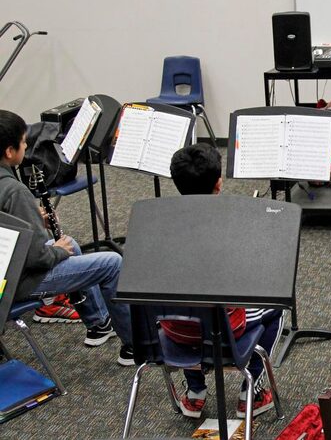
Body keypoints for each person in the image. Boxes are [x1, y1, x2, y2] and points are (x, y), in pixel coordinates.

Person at [0, 110, 133, 365]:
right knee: (111, 263)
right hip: (17, 281)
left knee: (69, 242)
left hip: (6, 267)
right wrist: (59, 251)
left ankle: (99, 323)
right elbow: (37, 258)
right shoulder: (15, 192)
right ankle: (134, 347)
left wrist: (32, 220)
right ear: (9, 151)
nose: (26, 146)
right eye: (24, 142)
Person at [165, 143, 283, 419]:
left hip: (172, 331)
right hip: (225, 332)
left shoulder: (158, 225)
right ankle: (249, 391)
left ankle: (195, 392)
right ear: (218, 184)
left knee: (187, 303)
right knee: (276, 306)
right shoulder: (233, 226)